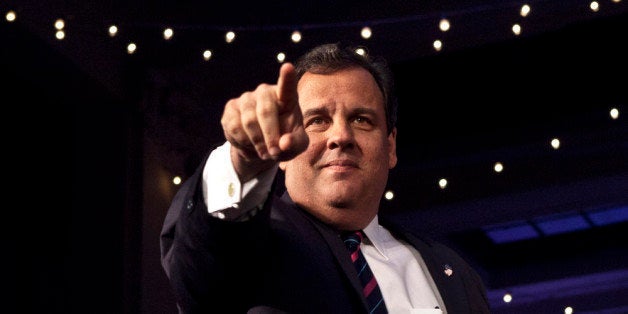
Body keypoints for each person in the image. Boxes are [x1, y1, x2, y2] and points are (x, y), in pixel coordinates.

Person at [160, 42, 491, 314]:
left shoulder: (454, 271)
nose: (341, 136)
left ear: (390, 146)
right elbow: (201, 275)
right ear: (284, 148)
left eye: (361, 119)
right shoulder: (252, 243)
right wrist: (242, 160)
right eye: (317, 120)